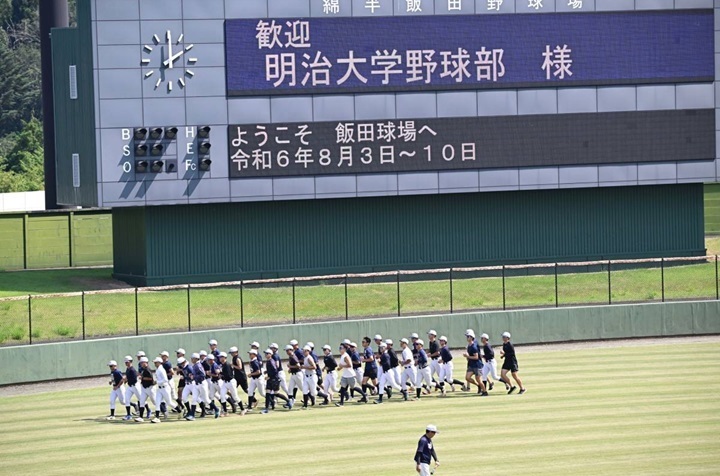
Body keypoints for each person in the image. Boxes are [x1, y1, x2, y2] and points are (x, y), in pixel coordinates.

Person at [462, 330, 487, 396]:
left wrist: (467, 356)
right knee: (467, 377)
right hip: (471, 365)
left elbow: (476, 357)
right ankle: (478, 386)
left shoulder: (473, 346)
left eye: (468, 336)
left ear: (471, 337)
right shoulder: (469, 345)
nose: (467, 338)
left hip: (477, 365)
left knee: (478, 379)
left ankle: (485, 391)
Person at [152, 357, 177, 423]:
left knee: (169, 402)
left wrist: (157, 382)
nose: (154, 363)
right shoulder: (158, 369)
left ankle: (180, 410)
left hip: (165, 388)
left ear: (159, 363)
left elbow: (165, 379)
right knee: (157, 402)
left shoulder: (161, 370)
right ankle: (157, 417)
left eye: (155, 362)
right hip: (159, 388)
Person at [136, 356, 156, 422]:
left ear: (146, 363)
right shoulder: (143, 369)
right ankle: (141, 417)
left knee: (155, 401)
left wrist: (143, 378)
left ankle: (163, 410)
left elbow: (151, 378)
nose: (141, 364)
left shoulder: (147, 369)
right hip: (144, 388)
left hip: (150, 388)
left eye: (142, 363)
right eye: (141, 363)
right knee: (142, 402)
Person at [178, 357, 197, 421]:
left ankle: (196, 412)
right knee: (184, 397)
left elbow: (193, 376)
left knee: (196, 398)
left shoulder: (189, 367)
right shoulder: (183, 368)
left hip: (192, 384)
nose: (180, 365)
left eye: (181, 363)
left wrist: (186, 377)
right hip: (187, 384)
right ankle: (189, 411)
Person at [123, 356, 141, 421]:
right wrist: (126, 380)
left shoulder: (132, 370)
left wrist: (126, 380)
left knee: (141, 399)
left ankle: (148, 410)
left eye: (127, 362)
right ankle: (128, 415)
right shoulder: (128, 369)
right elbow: (128, 377)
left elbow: (134, 379)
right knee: (126, 399)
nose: (126, 363)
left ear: (130, 362)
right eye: (125, 362)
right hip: (130, 386)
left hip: (135, 386)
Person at [263, 348, 281, 414]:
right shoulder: (269, 361)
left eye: (267, 353)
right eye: (265, 353)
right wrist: (266, 371)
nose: (266, 355)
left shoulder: (271, 361)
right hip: (271, 379)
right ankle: (267, 407)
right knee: (268, 394)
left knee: (275, 393)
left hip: (273, 379)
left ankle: (288, 400)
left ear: (270, 354)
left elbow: (275, 370)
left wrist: (269, 377)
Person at [285, 344, 303, 409]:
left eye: (287, 350)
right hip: (293, 374)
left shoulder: (293, 356)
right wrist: (290, 369)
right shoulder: (290, 356)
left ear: (291, 350)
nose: (286, 352)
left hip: (298, 374)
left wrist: (290, 367)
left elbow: (298, 365)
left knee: (303, 389)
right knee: (290, 389)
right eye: (286, 351)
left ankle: (311, 399)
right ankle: (290, 403)